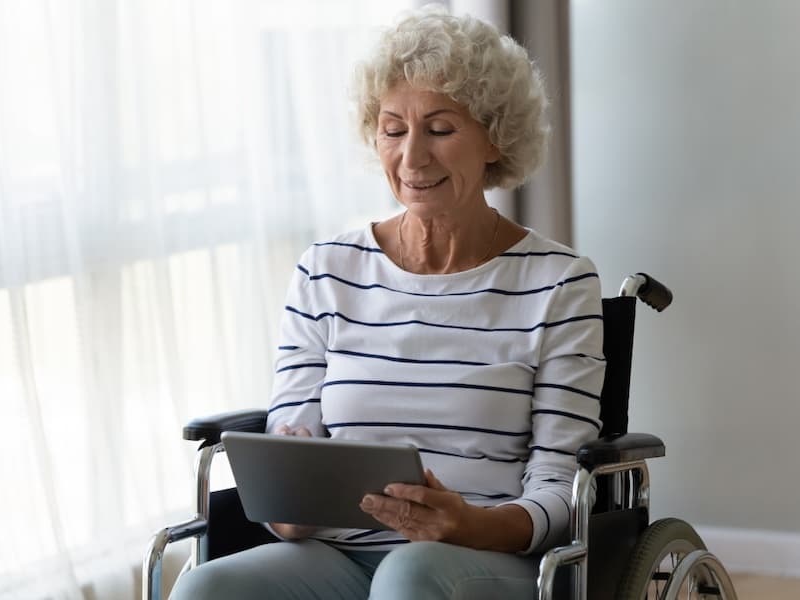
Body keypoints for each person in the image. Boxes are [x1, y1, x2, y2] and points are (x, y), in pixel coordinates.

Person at [170, 6, 603, 599]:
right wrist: (287, 506)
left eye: (441, 130)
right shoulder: (327, 270)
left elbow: (563, 492)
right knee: (206, 588)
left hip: (484, 557)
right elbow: (292, 446)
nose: (412, 157)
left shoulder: (558, 283)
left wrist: (470, 523)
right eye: (393, 129)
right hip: (339, 552)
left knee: (409, 574)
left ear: (495, 136)